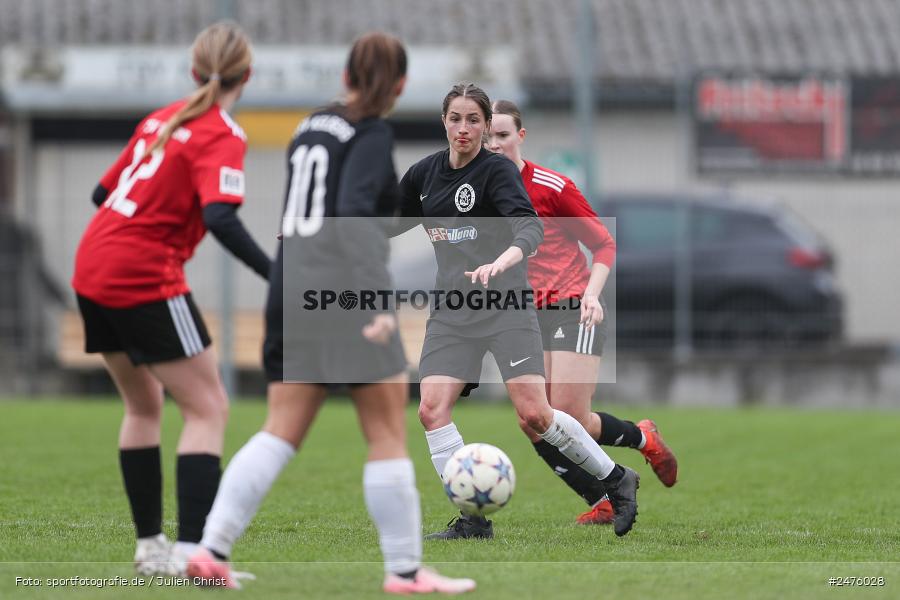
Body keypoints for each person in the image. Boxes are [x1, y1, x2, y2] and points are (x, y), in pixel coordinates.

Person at [186, 33, 476, 595]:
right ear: (400, 86)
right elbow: (351, 216)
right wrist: (376, 300)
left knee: (280, 430)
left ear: (345, 77)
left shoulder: (311, 124)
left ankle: (210, 550)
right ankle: (405, 573)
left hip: (293, 283)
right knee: (386, 432)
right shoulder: (371, 133)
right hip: (342, 291)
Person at [395, 83, 640, 541]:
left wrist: (504, 260)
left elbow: (529, 228)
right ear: (443, 121)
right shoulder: (424, 174)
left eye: (473, 120)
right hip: (453, 311)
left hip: (506, 307)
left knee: (537, 416)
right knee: (431, 409)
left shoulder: (497, 172)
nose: (463, 128)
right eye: (455, 118)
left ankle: (617, 479)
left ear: (487, 125)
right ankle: (473, 520)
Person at [71, 22, 271, 576]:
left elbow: (101, 193)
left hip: (92, 266)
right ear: (247, 76)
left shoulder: (161, 117)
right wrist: (274, 274)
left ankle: (150, 548)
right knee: (208, 408)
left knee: (143, 406)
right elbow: (220, 217)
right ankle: (192, 557)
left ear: (193, 70)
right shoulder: (222, 132)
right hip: (141, 274)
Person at [486, 99, 678, 526]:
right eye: (487, 138)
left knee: (569, 415)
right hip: (524, 315)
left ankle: (643, 437)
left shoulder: (551, 187)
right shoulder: (479, 193)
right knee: (533, 420)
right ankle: (603, 498)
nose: (494, 144)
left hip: (572, 304)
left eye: (502, 135)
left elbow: (603, 244)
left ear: (520, 136)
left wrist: (592, 294)